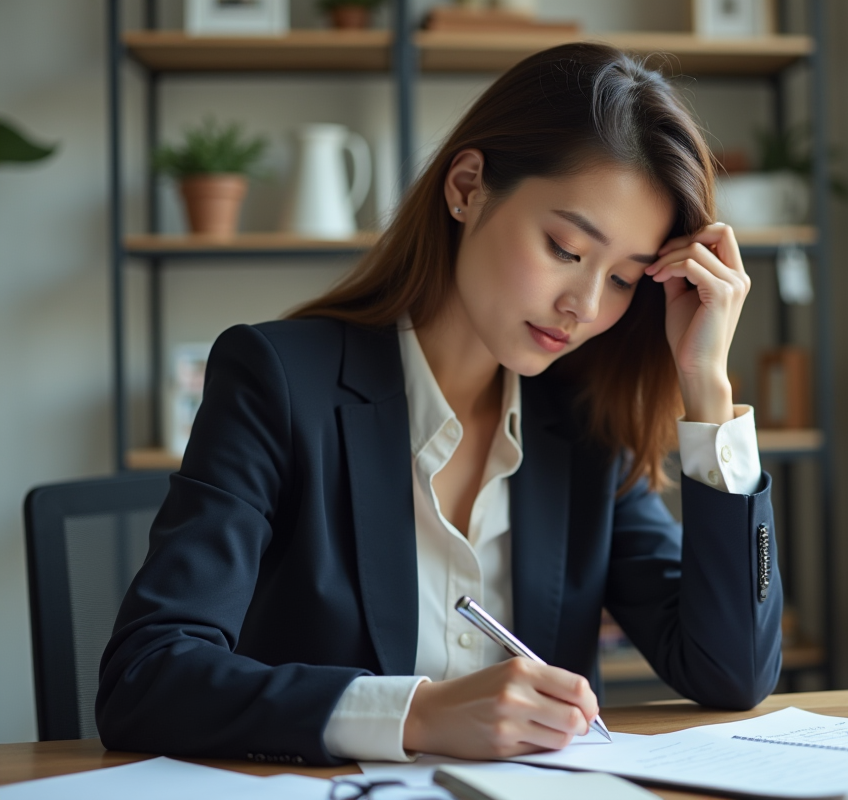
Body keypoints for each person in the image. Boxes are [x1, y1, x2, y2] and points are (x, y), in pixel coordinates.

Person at [97, 42, 782, 767]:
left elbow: (730, 672)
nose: (582, 305)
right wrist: (414, 714)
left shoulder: (584, 422)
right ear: (467, 186)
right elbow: (146, 676)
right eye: (564, 247)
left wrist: (708, 386)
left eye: (623, 280)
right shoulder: (278, 380)